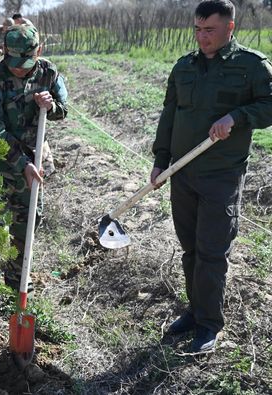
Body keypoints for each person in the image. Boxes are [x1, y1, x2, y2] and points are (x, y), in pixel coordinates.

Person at [151, 0, 272, 353]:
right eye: (198, 30)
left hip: (221, 175)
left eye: (210, 31)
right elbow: (169, 114)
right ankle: (195, 310)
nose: (202, 38)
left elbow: (269, 104)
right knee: (190, 249)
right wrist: (160, 160)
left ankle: (209, 325)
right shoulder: (184, 67)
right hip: (181, 172)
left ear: (230, 28)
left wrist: (237, 116)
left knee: (211, 252)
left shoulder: (250, 65)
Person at [0, 24, 68, 294]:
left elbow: (63, 109)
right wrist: (21, 163)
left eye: (26, 63)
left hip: (29, 159)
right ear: (3, 52)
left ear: (39, 50)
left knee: (26, 225)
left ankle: (17, 289)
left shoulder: (48, 72)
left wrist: (51, 106)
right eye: (14, 63)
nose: (20, 70)